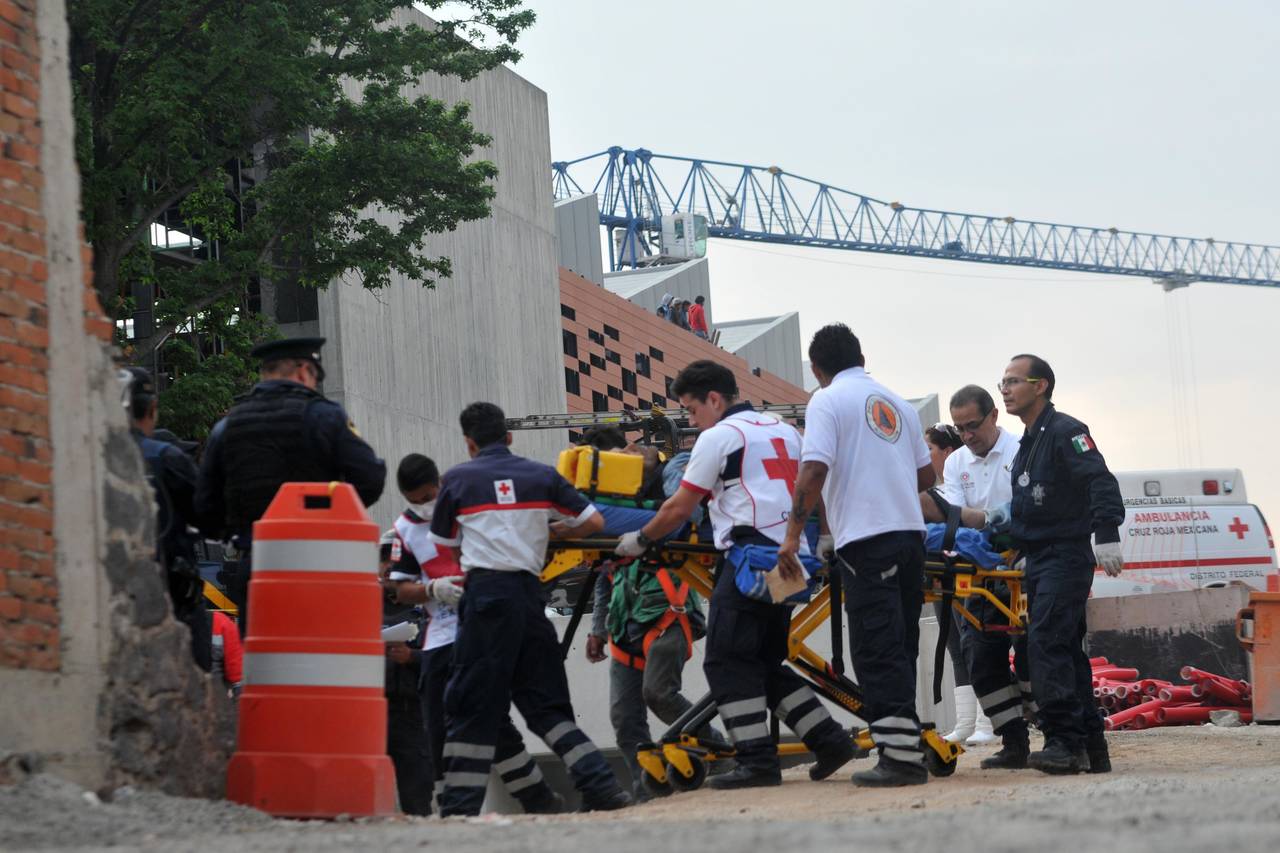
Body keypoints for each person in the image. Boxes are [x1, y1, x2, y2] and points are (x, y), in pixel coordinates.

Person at [614, 360, 855, 790]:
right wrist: (824, 536)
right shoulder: (785, 430)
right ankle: (830, 741)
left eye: (692, 410)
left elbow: (680, 507)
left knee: (726, 661)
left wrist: (641, 539)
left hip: (750, 562)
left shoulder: (720, 437)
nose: (691, 421)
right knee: (762, 661)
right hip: (793, 563)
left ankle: (757, 762)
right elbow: (814, 484)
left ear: (713, 399)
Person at [430, 403, 630, 816]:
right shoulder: (542, 475)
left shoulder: (457, 480)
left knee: (471, 703)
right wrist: (556, 530)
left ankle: (459, 809)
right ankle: (602, 788)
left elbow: (446, 545)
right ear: (509, 437)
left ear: (469, 443)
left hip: (486, 599)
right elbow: (594, 522)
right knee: (546, 705)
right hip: (529, 598)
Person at [779, 324, 934, 787]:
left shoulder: (826, 401)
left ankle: (900, 760)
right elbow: (926, 476)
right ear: (862, 358)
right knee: (900, 645)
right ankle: (906, 748)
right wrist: (885, 478)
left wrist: (792, 537)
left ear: (816, 369)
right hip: (911, 537)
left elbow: (813, 470)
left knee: (875, 647)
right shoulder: (900, 405)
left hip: (868, 540)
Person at [388, 454, 562, 814]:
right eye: (414, 501)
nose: (423, 506)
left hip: (483, 630)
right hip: (440, 638)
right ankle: (477, 803)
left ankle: (534, 798)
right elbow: (400, 589)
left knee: (487, 718)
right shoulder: (404, 529)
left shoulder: (470, 511)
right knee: (440, 725)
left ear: (439, 483)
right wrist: (433, 589)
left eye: (427, 497)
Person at [194, 337, 386, 629]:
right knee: (321, 650)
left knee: (264, 653)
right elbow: (370, 478)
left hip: (257, 565)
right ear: (303, 371)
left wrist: (239, 530)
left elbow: (205, 506)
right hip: (319, 564)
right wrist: (329, 513)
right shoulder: (325, 416)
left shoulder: (226, 427)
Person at [1001, 354, 1124, 775]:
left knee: (1046, 644)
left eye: (1014, 381)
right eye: (1002, 383)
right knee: (1065, 650)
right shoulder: (1029, 443)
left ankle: (1063, 743)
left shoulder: (1065, 431)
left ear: (1041, 386)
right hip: (1039, 557)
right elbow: (1030, 507)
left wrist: (1106, 531)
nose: (1005, 390)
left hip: (1064, 556)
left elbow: (1099, 479)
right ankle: (1091, 746)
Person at [935, 385, 1032, 765]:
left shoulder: (1021, 451)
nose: (967, 435)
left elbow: (1026, 508)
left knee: (1034, 653)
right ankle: (1013, 740)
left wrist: (997, 524)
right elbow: (957, 517)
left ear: (994, 416)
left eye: (973, 425)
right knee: (979, 655)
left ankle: (1057, 733)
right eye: (960, 428)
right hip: (982, 569)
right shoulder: (956, 463)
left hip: (1024, 565)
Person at [122, 366, 213, 671]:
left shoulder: (89, 456)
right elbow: (210, 516)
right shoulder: (166, 457)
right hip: (170, 598)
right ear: (152, 408)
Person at [922, 422, 995, 746]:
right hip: (941, 574)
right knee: (953, 645)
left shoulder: (957, 492)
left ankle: (986, 721)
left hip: (966, 573)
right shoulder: (930, 493)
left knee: (973, 643)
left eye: (929, 449)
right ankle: (965, 722)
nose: (923, 455)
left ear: (947, 452)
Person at [378, 529, 433, 816]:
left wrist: (411, 657)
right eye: (383, 558)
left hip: (412, 714)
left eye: (395, 558)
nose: (388, 565)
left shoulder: (430, 607)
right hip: (369, 713)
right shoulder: (359, 604)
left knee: (416, 797)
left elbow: (448, 660)